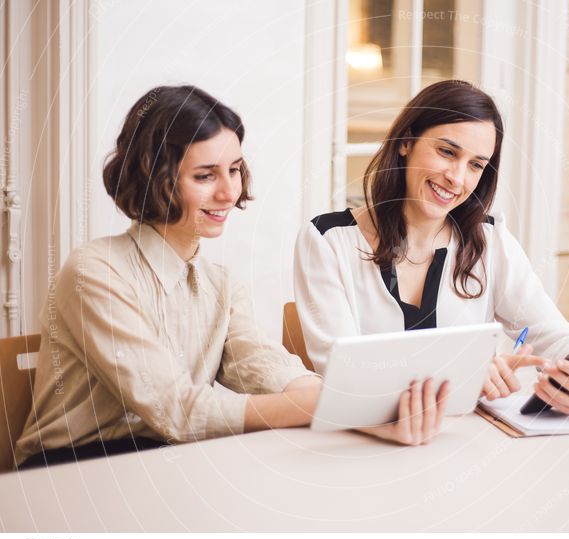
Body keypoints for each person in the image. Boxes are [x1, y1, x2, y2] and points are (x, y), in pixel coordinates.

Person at [16, 85, 448, 469]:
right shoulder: (95, 271)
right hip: (68, 472)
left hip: (164, 462)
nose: (229, 192)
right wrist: (343, 406)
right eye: (205, 176)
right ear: (152, 178)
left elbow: (265, 367)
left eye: (235, 169)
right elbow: (178, 412)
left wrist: (362, 411)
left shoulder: (220, 283)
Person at [294, 80, 569, 415]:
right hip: (368, 446)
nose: (457, 179)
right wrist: (463, 375)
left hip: (467, 442)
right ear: (405, 142)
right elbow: (347, 378)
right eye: (447, 152)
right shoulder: (327, 240)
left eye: (476, 165)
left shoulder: (490, 241)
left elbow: (552, 334)